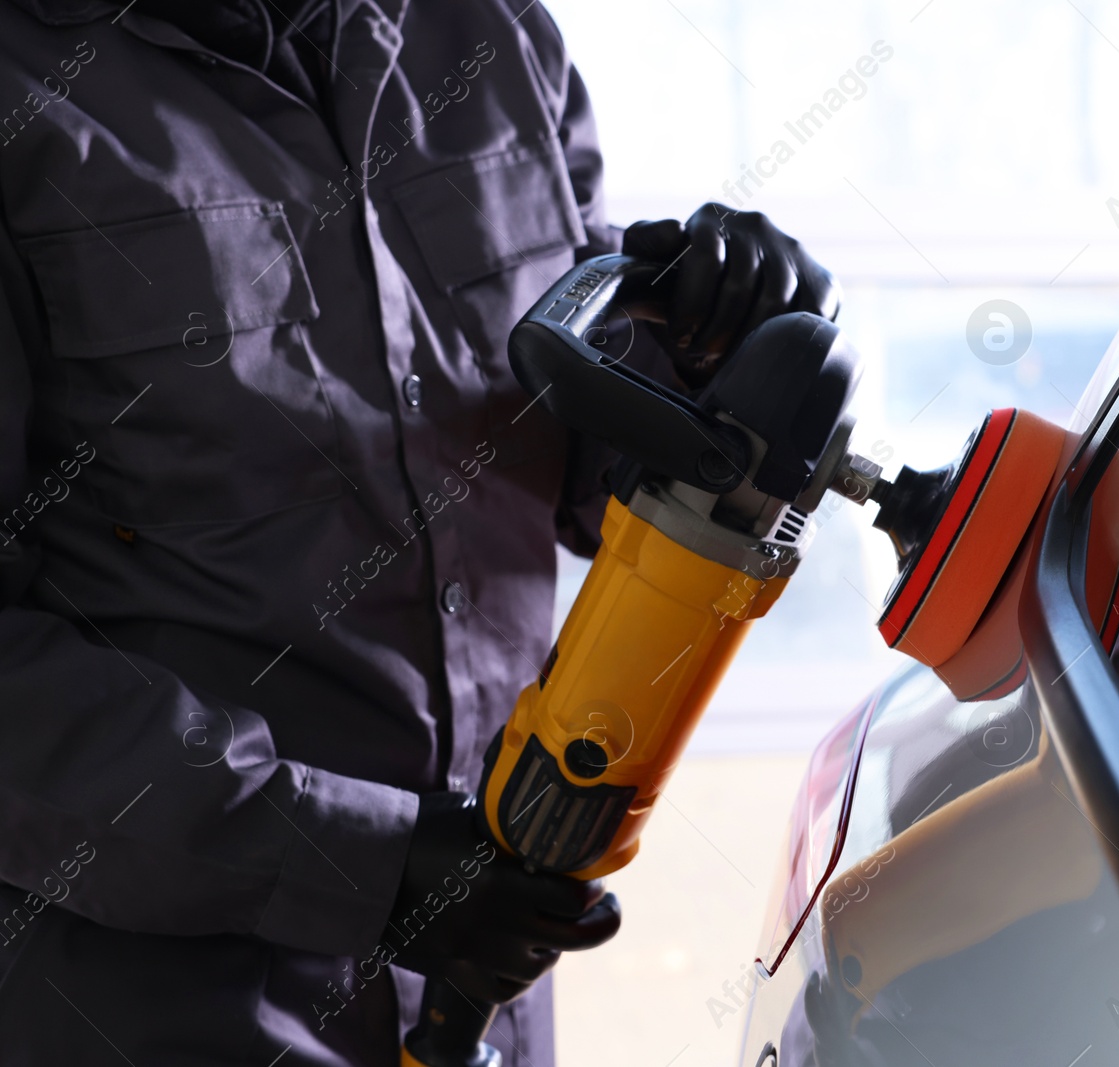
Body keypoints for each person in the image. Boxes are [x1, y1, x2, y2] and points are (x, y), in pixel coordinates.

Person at [0, 1, 839, 1064]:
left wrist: (711, 354)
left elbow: (577, 459)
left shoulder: (487, 35)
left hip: (484, 989)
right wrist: (368, 864)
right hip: (164, 1012)